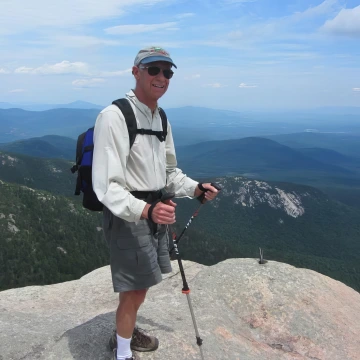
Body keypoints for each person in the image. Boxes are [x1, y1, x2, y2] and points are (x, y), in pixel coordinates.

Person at [92, 46, 219, 360]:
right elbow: (107, 186)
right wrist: (146, 210)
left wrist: (195, 189)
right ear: (136, 72)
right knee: (134, 287)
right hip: (129, 215)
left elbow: (169, 173)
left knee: (144, 282)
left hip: (155, 213)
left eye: (168, 71)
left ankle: (126, 330)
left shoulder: (160, 117)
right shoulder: (114, 116)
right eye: (154, 70)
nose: (162, 77)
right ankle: (122, 353)